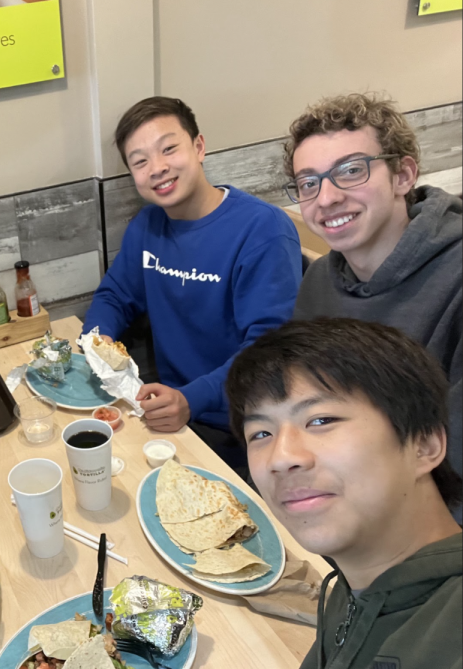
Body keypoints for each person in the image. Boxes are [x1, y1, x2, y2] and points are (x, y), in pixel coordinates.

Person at [226, 318, 462, 669]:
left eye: (321, 420)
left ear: (424, 445)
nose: (281, 458)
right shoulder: (348, 589)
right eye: (260, 433)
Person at [83, 96, 302, 471]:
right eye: (140, 161)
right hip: (170, 416)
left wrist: (192, 399)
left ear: (199, 147)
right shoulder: (147, 227)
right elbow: (115, 296)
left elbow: (269, 350)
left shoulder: (262, 230)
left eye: (169, 149)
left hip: (244, 427)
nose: (158, 168)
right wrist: (95, 345)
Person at [284, 93, 462, 484]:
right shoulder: (317, 283)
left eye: (351, 171)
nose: (327, 198)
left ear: (403, 175)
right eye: (309, 183)